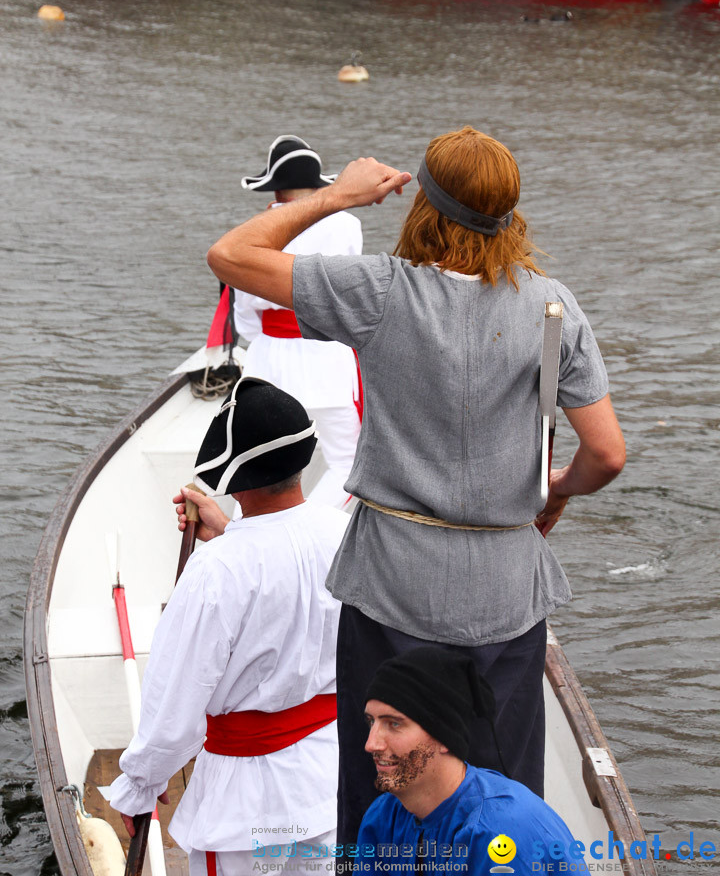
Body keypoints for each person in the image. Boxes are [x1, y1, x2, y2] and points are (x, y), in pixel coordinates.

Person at [205, 128, 626, 853]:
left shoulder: (380, 292)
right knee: (503, 797)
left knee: (384, 792)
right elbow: (608, 454)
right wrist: (555, 490)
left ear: (422, 209)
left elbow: (232, 256)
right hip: (505, 592)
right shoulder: (553, 308)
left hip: (393, 588)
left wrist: (338, 195)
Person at [108, 376, 350, 876]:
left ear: (233, 476)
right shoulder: (343, 532)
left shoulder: (217, 569)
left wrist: (138, 790)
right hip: (330, 780)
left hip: (247, 804)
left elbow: (172, 709)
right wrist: (231, 531)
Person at [356, 648, 590, 875]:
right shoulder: (384, 817)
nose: (371, 744)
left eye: (394, 724)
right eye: (371, 722)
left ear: (444, 737)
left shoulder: (497, 835)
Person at [233, 135, 363, 511]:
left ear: (274, 188)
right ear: (318, 184)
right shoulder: (347, 225)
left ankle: (261, 528)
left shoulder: (254, 231)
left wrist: (276, 340)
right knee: (349, 463)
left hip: (268, 362)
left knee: (264, 464)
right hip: (328, 360)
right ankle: (311, 523)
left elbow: (245, 321)